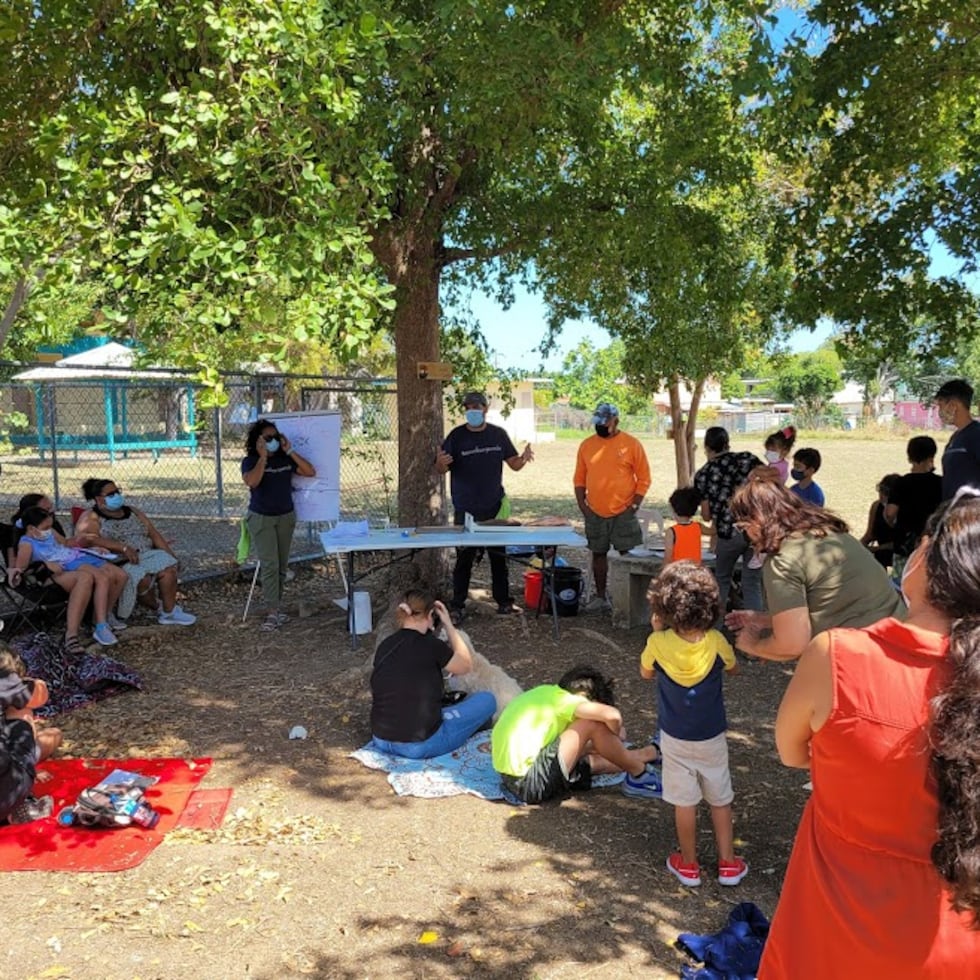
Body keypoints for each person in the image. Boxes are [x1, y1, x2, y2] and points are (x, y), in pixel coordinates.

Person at [758, 493, 980, 977]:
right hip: (958, 939)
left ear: (926, 558)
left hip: (833, 929)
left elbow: (791, 750)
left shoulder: (839, 657)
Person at [725, 470, 905, 662]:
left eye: (743, 527)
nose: (746, 536)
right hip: (900, 639)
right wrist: (766, 620)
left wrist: (753, 645)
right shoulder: (828, 532)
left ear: (757, 521)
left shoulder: (784, 559)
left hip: (869, 656)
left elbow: (791, 645)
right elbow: (831, 604)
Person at [642, 562, 747, 887]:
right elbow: (733, 670)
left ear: (663, 607)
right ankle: (728, 863)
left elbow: (646, 673)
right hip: (711, 734)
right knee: (720, 797)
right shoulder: (715, 641)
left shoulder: (658, 643)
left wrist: (657, 630)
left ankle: (688, 864)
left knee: (684, 800)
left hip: (674, 736)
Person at [492, 664, 661, 804]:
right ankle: (640, 774)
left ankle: (650, 753)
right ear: (584, 698)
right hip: (528, 782)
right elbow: (612, 715)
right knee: (592, 724)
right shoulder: (566, 701)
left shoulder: (546, 692)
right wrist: (615, 734)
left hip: (510, 778)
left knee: (593, 760)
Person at [435, 391, 533, 622]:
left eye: (476, 407)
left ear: (485, 409)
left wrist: (524, 458)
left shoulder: (498, 435)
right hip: (465, 508)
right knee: (464, 559)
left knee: (498, 557)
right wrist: (440, 463)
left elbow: (514, 464)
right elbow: (441, 469)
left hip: (494, 507)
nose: (472, 411)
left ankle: (504, 602)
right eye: (468, 407)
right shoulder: (456, 437)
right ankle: (457, 605)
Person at [369, 589, 496, 759]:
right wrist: (449, 624)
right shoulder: (431, 645)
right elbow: (466, 665)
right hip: (418, 744)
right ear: (430, 615)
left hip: (380, 739)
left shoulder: (386, 645)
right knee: (487, 700)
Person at [75, 479, 196, 627]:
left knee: (169, 567)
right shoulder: (91, 516)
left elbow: (153, 534)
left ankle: (169, 612)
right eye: (111, 494)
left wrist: (171, 555)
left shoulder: (132, 511)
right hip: (120, 559)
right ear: (99, 498)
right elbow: (86, 539)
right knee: (141, 578)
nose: (117, 495)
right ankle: (156, 607)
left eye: (117, 491)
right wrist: (122, 547)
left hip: (146, 553)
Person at [12, 506, 129, 651]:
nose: (49, 529)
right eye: (45, 527)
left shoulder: (49, 533)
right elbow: (22, 569)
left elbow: (65, 544)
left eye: (50, 526)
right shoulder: (26, 544)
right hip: (56, 571)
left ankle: (102, 617)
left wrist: (90, 548)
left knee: (119, 574)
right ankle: (99, 625)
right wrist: (45, 564)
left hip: (71, 557)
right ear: (31, 528)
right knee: (99, 577)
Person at [573, 402, 651, 613]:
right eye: (597, 421)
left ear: (616, 421)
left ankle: (629, 601)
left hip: (624, 511)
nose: (600, 425)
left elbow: (644, 478)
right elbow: (579, 479)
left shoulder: (631, 444)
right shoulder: (586, 445)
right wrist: (583, 506)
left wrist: (633, 506)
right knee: (598, 554)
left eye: (604, 422)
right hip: (595, 512)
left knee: (627, 556)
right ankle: (601, 597)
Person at [241, 418, 316, 632]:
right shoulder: (250, 461)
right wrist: (263, 457)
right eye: (268, 437)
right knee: (270, 565)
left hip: (285, 516)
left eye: (275, 436)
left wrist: (289, 449)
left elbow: (310, 471)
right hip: (262, 518)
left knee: (281, 566)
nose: (273, 440)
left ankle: (277, 608)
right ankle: (272, 612)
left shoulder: (285, 459)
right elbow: (252, 482)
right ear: (258, 441)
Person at [692, 427, 764, 619]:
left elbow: (706, 515)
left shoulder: (703, 474)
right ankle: (755, 633)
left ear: (707, 447)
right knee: (752, 583)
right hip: (756, 531)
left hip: (727, 533)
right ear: (727, 443)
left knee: (722, 579)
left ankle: (716, 628)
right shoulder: (747, 460)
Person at [0, 647, 61, 824]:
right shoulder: (5, 681)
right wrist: (21, 682)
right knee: (22, 709)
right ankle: (22, 799)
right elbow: (40, 694)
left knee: (53, 735)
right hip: (7, 796)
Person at [884, 435, 943, 566]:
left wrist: (894, 525)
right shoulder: (941, 483)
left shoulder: (901, 483)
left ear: (909, 457)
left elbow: (890, 513)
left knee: (901, 583)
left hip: (905, 544)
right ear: (931, 456)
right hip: (932, 545)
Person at [935, 377, 980, 499]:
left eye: (940, 405)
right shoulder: (954, 438)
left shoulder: (976, 434)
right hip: (953, 514)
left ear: (953, 405)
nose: (939, 411)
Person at [859, 472, 900, 568]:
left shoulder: (905, 511)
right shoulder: (876, 506)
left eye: (886, 493)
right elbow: (869, 535)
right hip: (880, 555)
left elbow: (902, 542)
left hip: (900, 554)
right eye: (880, 491)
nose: (881, 496)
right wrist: (858, 547)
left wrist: (877, 548)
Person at [663, 487, 702, 565]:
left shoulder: (671, 531)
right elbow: (713, 531)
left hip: (678, 571)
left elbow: (668, 558)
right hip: (695, 571)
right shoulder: (698, 526)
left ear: (674, 510)